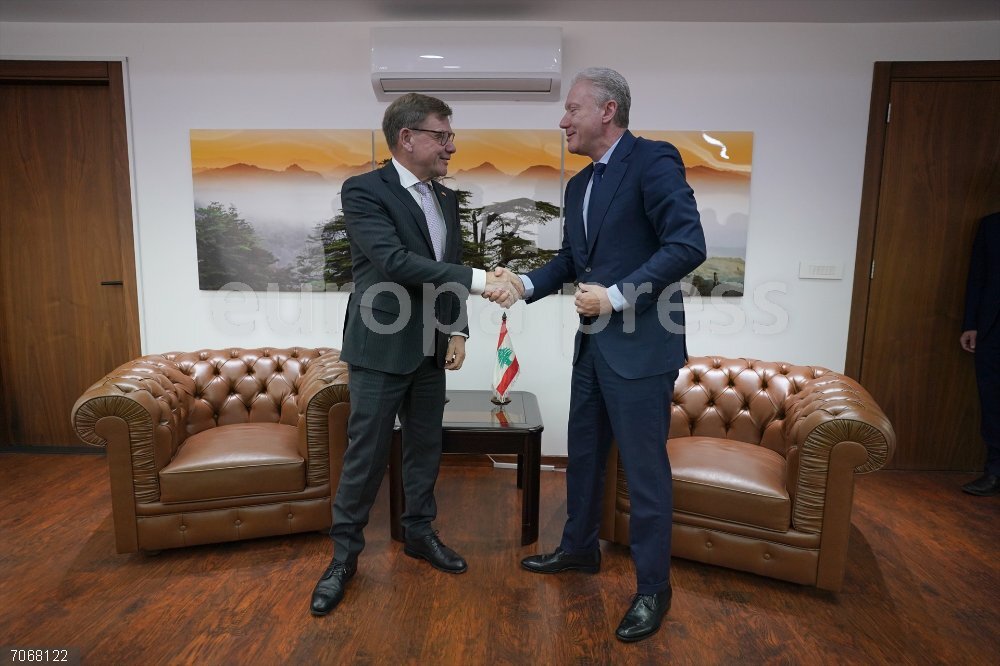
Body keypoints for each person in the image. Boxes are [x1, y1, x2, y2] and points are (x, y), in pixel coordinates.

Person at [493, 67, 706, 642]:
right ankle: (579, 550)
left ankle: (653, 589)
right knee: (583, 456)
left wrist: (614, 297)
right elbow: (573, 261)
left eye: (572, 109)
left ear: (607, 111)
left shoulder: (654, 160)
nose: (562, 120)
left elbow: (687, 244)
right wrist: (527, 285)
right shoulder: (579, 185)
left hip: (642, 350)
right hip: (592, 349)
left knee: (644, 474)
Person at [310, 93, 519, 617]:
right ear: (408, 138)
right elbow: (395, 261)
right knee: (366, 455)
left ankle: (420, 534)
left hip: (430, 348)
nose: (452, 145)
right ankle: (342, 558)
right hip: (381, 346)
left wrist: (458, 331)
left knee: (425, 449)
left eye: (450, 135)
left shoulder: (444, 198)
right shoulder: (363, 190)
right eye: (442, 135)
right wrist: (479, 281)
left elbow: (444, 264)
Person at [959, 211, 1000, 496]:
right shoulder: (991, 225)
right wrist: (971, 324)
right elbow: (978, 277)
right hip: (992, 328)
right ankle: (995, 472)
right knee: (993, 401)